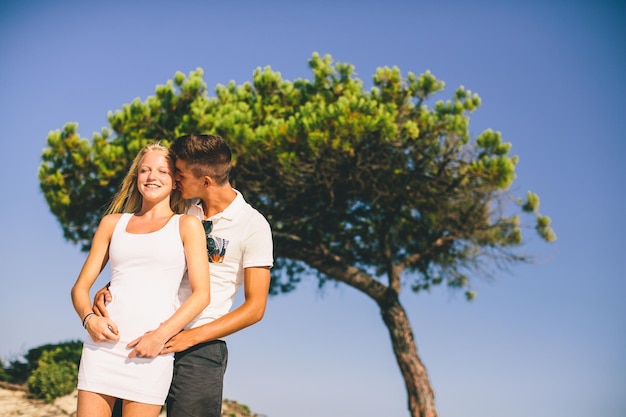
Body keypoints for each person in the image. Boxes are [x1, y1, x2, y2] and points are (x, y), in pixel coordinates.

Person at [94, 134, 274, 417]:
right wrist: (110, 287)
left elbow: (255, 308)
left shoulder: (253, 226)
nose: (174, 179)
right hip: (143, 333)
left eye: (180, 173)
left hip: (199, 348)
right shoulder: (181, 208)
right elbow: (147, 257)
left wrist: (190, 338)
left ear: (206, 181)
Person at [71, 143, 211, 417]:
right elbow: (80, 287)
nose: (151, 176)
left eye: (162, 171)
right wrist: (90, 319)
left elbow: (201, 295)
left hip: (150, 352)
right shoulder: (112, 224)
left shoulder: (186, 225)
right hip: (101, 348)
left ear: (174, 182)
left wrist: (160, 337)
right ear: (136, 178)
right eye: (145, 170)